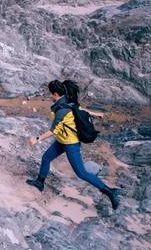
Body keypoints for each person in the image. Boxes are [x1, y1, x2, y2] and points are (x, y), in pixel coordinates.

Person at [26, 79, 120, 210]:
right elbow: (79, 109)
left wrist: (37, 139)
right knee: (46, 158)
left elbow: (53, 130)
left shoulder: (61, 111)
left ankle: (110, 192)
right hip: (62, 141)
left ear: (55, 94)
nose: (49, 96)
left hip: (71, 144)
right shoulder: (68, 101)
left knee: (81, 173)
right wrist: (96, 114)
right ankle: (39, 183)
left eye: (50, 94)